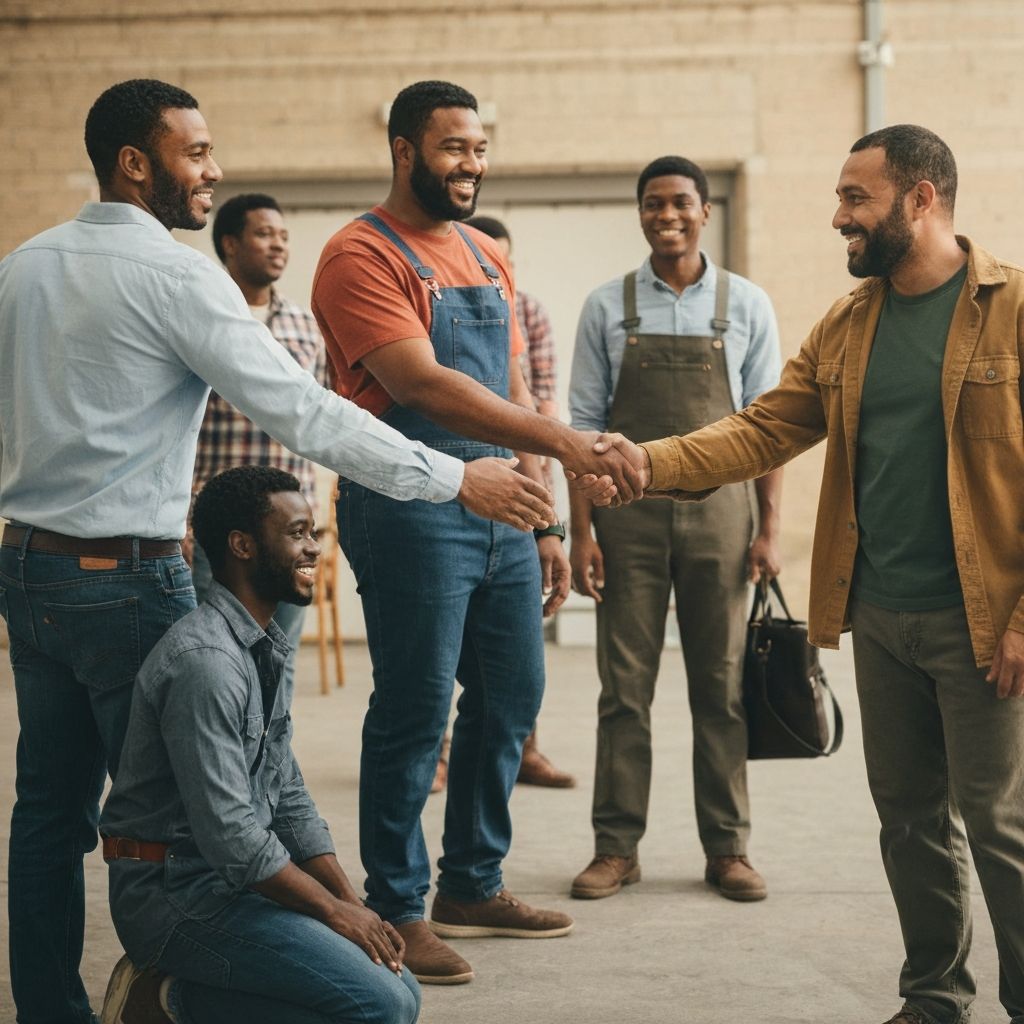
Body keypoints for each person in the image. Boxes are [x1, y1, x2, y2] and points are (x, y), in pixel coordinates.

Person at [0, 77, 553, 1023]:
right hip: (129, 580)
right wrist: (458, 479)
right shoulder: (176, 276)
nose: (214, 171)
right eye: (196, 153)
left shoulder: (23, 266)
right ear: (136, 164)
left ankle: (52, 1010)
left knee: (49, 812)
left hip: (29, 572)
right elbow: (304, 410)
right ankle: (181, 985)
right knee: (187, 820)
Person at [589, 125, 1024, 1024]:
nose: (837, 218)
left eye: (856, 199)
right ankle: (935, 997)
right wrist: (649, 462)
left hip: (986, 621)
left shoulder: (1013, 308)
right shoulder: (849, 323)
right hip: (881, 614)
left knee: (1001, 826)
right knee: (909, 820)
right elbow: (761, 429)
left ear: (921, 199)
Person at [310, 79, 641, 984]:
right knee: (415, 710)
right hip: (411, 508)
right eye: (454, 147)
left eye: (480, 148)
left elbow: (511, 395)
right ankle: (395, 906)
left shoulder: (484, 258)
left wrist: (541, 512)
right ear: (404, 151)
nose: (472, 165)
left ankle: (472, 883)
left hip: (503, 513)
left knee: (510, 698)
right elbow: (423, 385)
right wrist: (572, 446)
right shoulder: (358, 255)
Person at [99, 466, 420, 1023]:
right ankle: (165, 1001)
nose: (314, 549)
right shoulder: (207, 664)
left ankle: (178, 997)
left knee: (401, 988)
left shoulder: (257, 647)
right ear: (242, 546)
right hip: (175, 897)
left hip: (228, 884)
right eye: (297, 533)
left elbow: (287, 795)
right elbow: (233, 836)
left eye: (313, 533)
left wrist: (348, 902)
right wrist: (331, 913)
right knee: (382, 1007)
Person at [567, 156, 783, 904]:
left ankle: (728, 849)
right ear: (640, 213)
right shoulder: (607, 306)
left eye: (681, 203)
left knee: (720, 687)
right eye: (654, 204)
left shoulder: (747, 304)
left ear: (704, 212)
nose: (668, 215)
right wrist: (582, 534)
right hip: (625, 519)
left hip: (724, 518)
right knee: (623, 688)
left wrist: (768, 529)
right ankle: (616, 847)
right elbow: (584, 430)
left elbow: (771, 430)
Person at [189, 192, 327, 696]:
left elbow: (330, 415)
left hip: (290, 524)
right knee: (218, 656)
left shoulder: (306, 326)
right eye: (264, 234)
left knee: (279, 657)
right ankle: (224, 769)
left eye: (284, 236)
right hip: (218, 522)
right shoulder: (202, 319)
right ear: (229, 243)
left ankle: (271, 773)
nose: (278, 246)